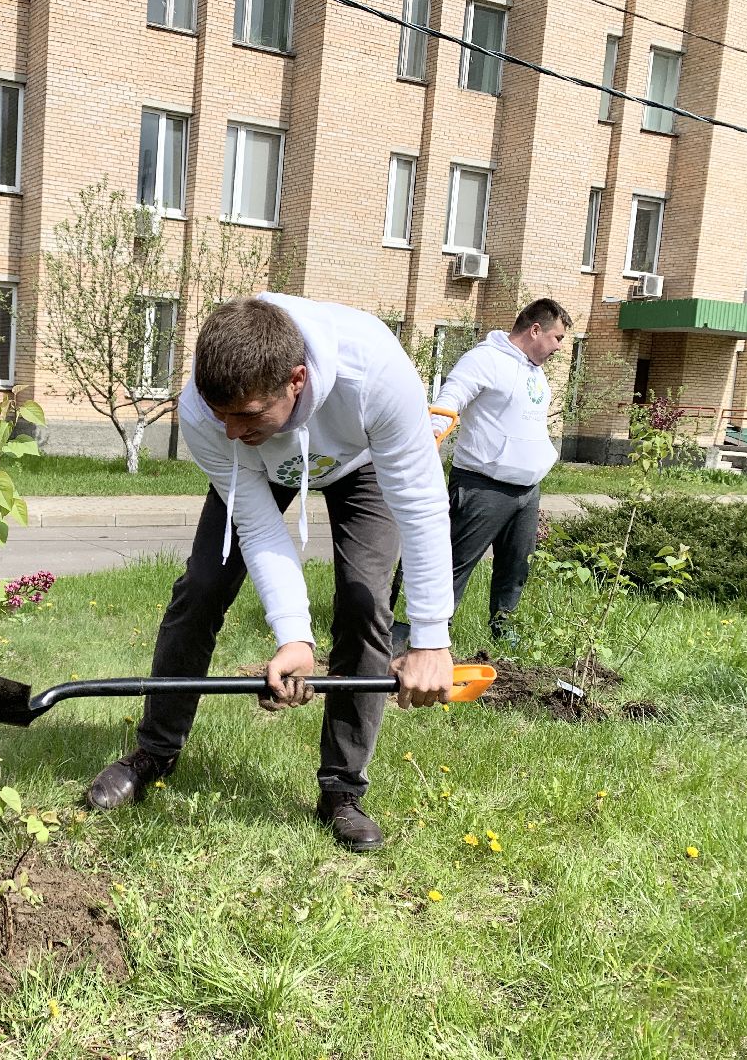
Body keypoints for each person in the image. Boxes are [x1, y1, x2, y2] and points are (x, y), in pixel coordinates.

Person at [85, 294, 455, 852]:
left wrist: (430, 638)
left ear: (297, 380)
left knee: (363, 604)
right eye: (221, 416)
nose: (230, 431)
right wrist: (294, 636)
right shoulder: (209, 416)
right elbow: (258, 528)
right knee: (203, 587)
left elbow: (422, 505)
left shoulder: (376, 374)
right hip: (262, 471)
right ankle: (156, 753)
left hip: (363, 465)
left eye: (248, 415)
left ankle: (341, 789)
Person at [429, 298, 570, 640]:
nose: (559, 348)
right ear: (535, 330)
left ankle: (503, 626)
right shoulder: (485, 359)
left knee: (516, 564)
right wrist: (434, 429)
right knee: (458, 562)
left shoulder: (536, 372)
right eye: (557, 338)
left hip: (527, 488)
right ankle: (434, 631)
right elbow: (453, 395)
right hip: (483, 484)